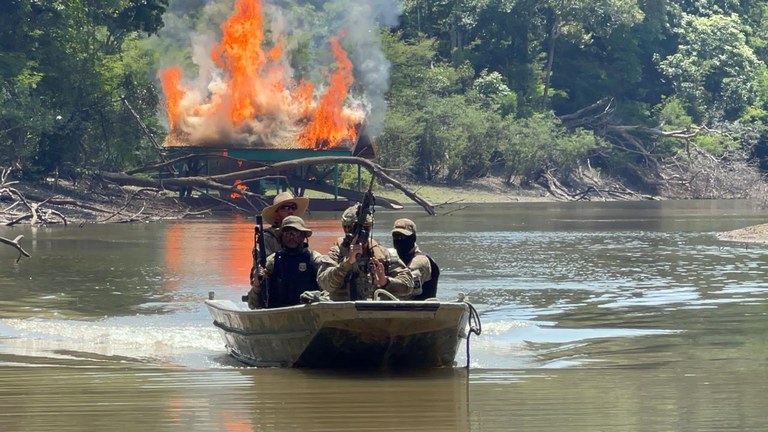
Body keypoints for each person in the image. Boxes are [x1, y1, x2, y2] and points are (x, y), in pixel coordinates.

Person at [317, 205, 414, 301]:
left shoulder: (383, 254)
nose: (360, 234)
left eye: (365, 228)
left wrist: (386, 281)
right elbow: (325, 284)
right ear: (345, 229)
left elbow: (408, 285)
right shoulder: (336, 253)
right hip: (345, 312)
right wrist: (346, 264)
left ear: (370, 228)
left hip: (375, 312)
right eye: (353, 228)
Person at [246, 216, 324, 309]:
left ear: (304, 236)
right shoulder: (272, 262)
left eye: (296, 233)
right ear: (281, 237)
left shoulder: (315, 259)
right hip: (278, 313)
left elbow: (328, 292)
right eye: (287, 233)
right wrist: (257, 285)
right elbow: (253, 304)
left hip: (309, 312)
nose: (291, 237)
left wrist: (317, 297)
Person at [250, 191, 309, 286]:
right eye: (285, 208)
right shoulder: (267, 238)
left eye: (293, 207)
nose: (291, 211)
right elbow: (262, 269)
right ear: (276, 214)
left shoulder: (300, 234)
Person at [391, 218, 440, 300]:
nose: (399, 240)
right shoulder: (393, 257)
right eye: (395, 236)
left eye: (403, 237)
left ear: (413, 238)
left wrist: (385, 281)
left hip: (417, 309)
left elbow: (406, 287)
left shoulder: (420, 261)